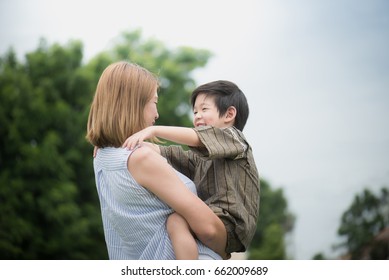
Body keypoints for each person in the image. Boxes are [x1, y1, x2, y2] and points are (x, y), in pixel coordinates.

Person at [85, 61, 227, 260]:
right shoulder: (141, 159)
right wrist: (225, 251)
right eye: (154, 102)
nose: (157, 114)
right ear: (134, 103)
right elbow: (209, 230)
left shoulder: (102, 155)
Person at [123, 80, 260, 259]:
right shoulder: (201, 158)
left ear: (229, 114)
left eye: (204, 109)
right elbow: (165, 152)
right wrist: (114, 144)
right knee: (175, 221)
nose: (197, 116)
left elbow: (196, 138)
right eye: (195, 111)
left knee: (176, 220)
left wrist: (153, 130)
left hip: (232, 224)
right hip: (213, 222)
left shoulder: (235, 138)